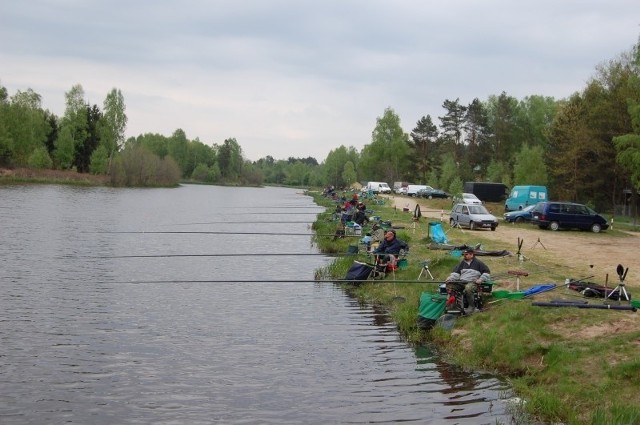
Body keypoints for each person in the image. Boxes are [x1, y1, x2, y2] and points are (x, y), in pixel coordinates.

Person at [446, 247, 491, 313]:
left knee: (468, 288)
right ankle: (453, 304)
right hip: (461, 282)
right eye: (464, 254)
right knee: (450, 284)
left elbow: (486, 273)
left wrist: (481, 279)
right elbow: (456, 273)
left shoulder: (479, 263)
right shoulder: (461, 263)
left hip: (472, 282)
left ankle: (472, 307)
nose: (464, 256)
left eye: (466, 254)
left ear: (471, 254)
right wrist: (450, 278)